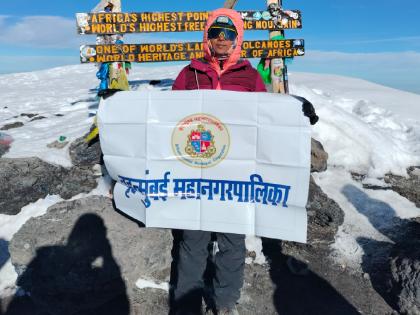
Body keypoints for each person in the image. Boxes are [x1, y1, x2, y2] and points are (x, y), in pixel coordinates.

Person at [171, 8, 266, 315]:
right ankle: (186, 304)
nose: (222, 40)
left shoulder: (250, 76)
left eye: (228, 34)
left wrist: (298, 113)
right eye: (215, 33)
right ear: (207, 38)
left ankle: (224, 303)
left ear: (237, 39)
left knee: (232, 242)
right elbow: (168, 117)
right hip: (196, 171)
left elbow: (267, 118)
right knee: (192, 241)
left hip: (235, 173)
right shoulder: (190, 73)